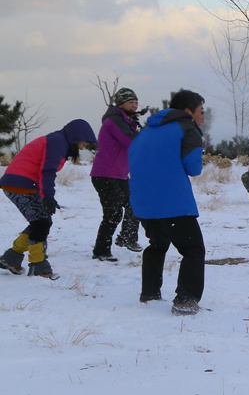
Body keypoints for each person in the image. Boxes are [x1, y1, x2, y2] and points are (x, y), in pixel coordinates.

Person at [128, 89, 207, 316]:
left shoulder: (146, 131)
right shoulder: (187, 128)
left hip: (143, 202)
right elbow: (193, 168)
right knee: (193, 249)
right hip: (172, 202)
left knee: (157, 244)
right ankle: (186, 300)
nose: (203, 117)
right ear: (188, 111)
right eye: (201, 111)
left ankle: (150, 294)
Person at [0, 119, 97, 280]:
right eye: (85, 140)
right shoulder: (58, 141)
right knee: (41, 223)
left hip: (22, 183)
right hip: (20, 183)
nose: (85, 144)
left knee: (41, 221)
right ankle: (38, 266)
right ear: (77, 136)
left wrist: (47, 197)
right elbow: (47, 170)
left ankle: (11, 258)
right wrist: (48, 197)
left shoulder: (59, 141)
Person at [90, 87, 143, 261]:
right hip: (105, 174)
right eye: (131, 102)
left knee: (132, 205)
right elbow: (130, 141)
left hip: (118, 175)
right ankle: (101, 251)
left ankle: (127, 238)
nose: (135, 105)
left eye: (136, 102)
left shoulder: (126, 120)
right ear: (121, 104)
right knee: (113, 213)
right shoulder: (114, 120)